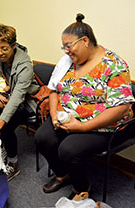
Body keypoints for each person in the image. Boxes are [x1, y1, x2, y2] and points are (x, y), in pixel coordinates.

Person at [34, 13, 135, 199]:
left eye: (68, 46)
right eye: (63, 47)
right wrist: (55, 114)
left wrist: (83, 126)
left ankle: (81, 187)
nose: (65, 51)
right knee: (42, 137)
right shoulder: (68, 62)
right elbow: (54, 90)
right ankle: (63, 174)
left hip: (101, 126)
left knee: (68, 149)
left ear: (85, 40)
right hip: (68, 117)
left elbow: (121, 107)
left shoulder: (113, 65)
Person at [0, 24, 40, 181]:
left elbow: (17, 97)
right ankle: (2, 149)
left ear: (13, 46)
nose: (0, 53)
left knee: (4, 129)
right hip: (2, 97)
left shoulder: (25, 65)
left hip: (23, 102)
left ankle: (13, 163)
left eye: (4, 48)